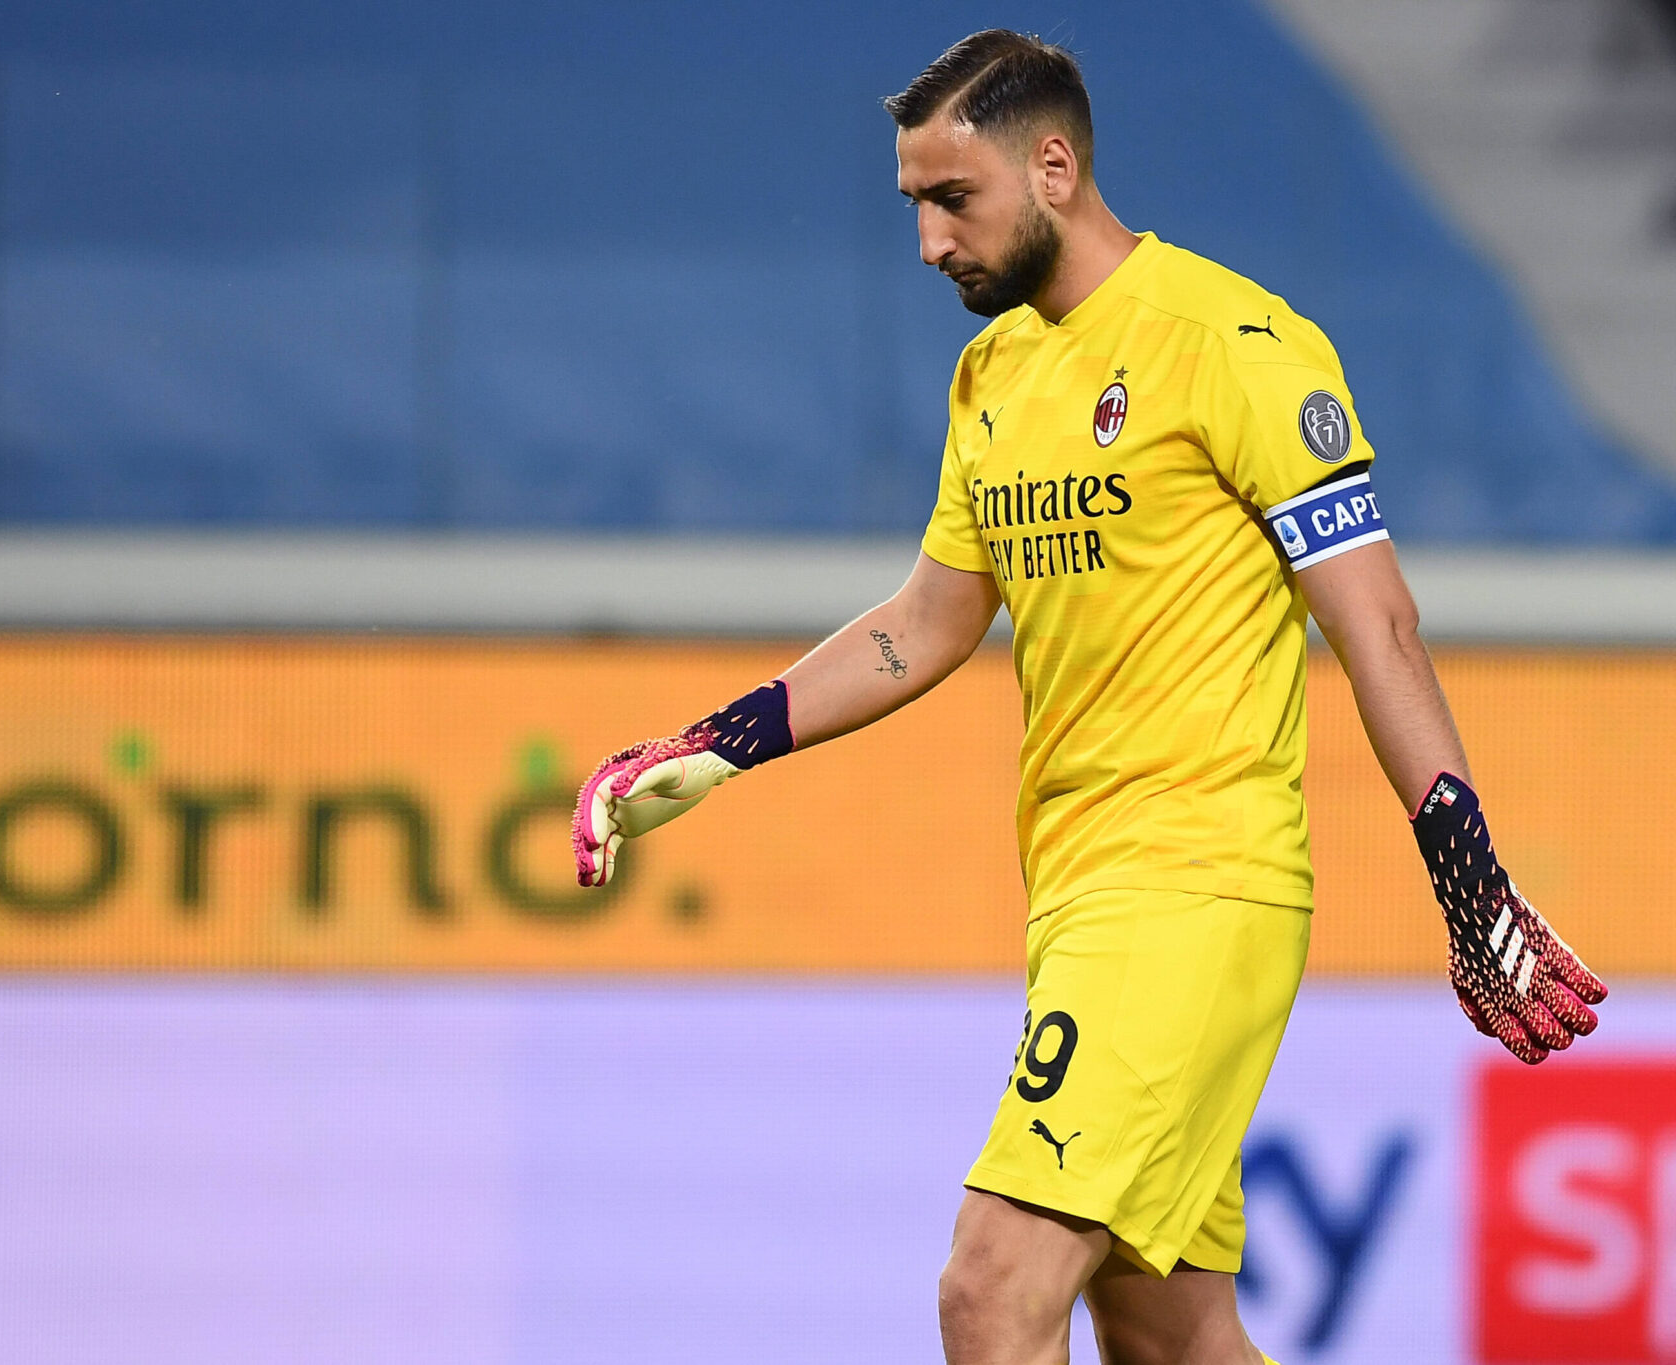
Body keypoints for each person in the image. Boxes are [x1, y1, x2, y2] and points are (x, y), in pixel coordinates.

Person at [569, 28, 1607, 1365]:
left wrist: (1470, 880)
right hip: (1077, 896)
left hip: (1196, 890)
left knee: (991, 1288)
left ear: (1053, 167)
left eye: (955, 199)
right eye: (914, 205)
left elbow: (1380, 628)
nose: (930, 242)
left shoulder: (1235, 344)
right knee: (1172, 1336)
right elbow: (926, 624)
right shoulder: (995, 373)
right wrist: (717, 744)